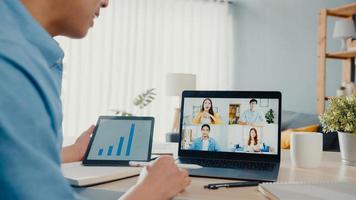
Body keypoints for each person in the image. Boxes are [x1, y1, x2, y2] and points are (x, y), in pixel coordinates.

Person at [0, 0, 190, 199]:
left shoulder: (23, 50)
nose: (106, 2)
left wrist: (71, 152)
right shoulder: (10, 65)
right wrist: (152, 189)